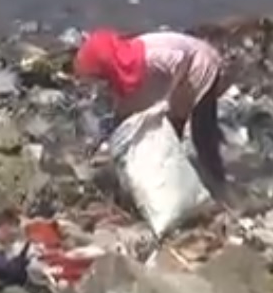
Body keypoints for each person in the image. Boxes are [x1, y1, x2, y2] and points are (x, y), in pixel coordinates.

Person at [73, 27, 229, 194]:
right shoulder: (124, 62)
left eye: (100, 77)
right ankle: (179, 178)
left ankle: (220, 187)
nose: (101, 84)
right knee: (174, 133)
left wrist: (115, 132)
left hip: (201, 66)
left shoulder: (148, 65)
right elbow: (125, 103)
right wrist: (103, 137)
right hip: (181, 73)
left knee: (202, 136)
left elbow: (148, 104)